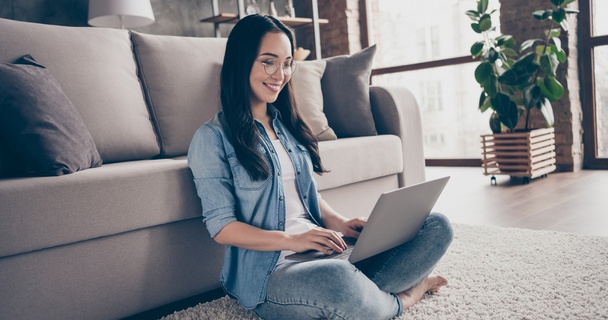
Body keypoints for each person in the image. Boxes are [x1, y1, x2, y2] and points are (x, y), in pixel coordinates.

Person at [187, 14, 453, 320]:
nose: (280, 73)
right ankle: (404, 297)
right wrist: (293, 240)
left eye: (287, 63)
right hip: (274, 274)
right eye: (268, 62)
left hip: (330, 251)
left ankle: (364, 299)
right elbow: (222, 228)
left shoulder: (285, 125)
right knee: (336, 280)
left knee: (436, 225)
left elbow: (304, 196)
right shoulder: (212, 138)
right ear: (241, 62)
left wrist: (340, 223)